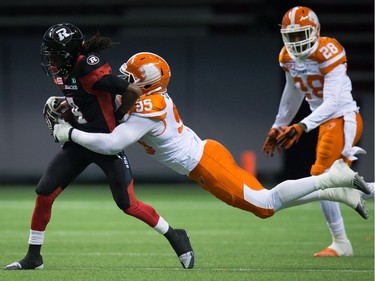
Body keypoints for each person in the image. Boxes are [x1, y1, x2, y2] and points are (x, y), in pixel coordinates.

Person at [52, 52, 370, 229]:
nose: (124, 83)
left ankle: (332, 178)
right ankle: (336, 191)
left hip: (205, 163)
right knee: (266, 205)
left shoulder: (150, 105)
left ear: (145, 83)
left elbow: (112, 144)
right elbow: (110, 116)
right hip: (205, 158)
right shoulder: (145, 101)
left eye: (130, 79)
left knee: (266, 204)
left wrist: (70, 134)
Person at [4, 24, 194, 271]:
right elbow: (85, 100)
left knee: (128, 205)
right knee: (44, 193)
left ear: (71, 53)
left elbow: (133, 90)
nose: (51, 58)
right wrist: (66, 106)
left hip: (105, 144)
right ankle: (33, 257)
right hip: (81, 141)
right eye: (49, 52)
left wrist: (119, 114)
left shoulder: (89, 68)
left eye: (56, 53)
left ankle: (175, 235)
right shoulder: (64, 68)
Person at [261, 6, 374, 257]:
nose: (297, 41)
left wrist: (302, 125)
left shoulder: (328, 50)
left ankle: (341, 242)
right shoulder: (287, 57)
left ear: (315, 31)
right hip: (325, 122)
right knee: (335, 185)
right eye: (291, 36)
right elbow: (293, 92)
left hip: (342, 118)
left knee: (323, 177)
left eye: (302, 35)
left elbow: (333, 102)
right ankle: (341, 240)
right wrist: (278, 125)